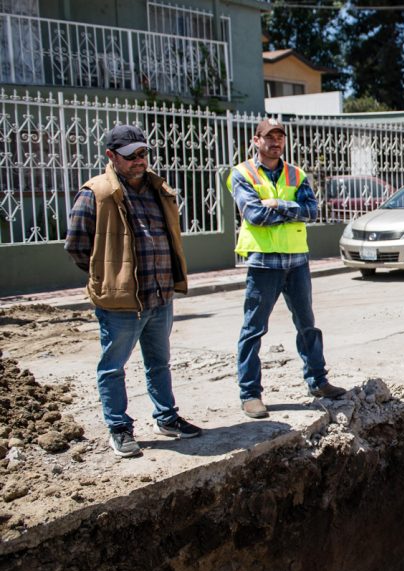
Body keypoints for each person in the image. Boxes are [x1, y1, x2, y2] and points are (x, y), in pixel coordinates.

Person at [64, 124, 202, 458]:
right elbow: (78, 246)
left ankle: (166, 417)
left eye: (143, 153)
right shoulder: (96, 193)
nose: (139, 161)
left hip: (159, 295)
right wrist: (109, 278)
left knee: (159, 362)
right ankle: (119, 428)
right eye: (131, 156)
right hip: (121, 301)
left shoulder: (157, 189)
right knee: (113, 366)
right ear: (111, 156)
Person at [229, 117, 346, 419]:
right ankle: (250, 394)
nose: (275, 142)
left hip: (296, 262)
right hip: (264, 263)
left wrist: (276, 204)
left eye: (279, 137)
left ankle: (318, 382)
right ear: (256, 140)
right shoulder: (242, 174)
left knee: (307, 325)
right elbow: (254, 215)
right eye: (269, 137)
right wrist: (287, 209)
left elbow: (310, 211)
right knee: (254, 329)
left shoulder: (296, 174)